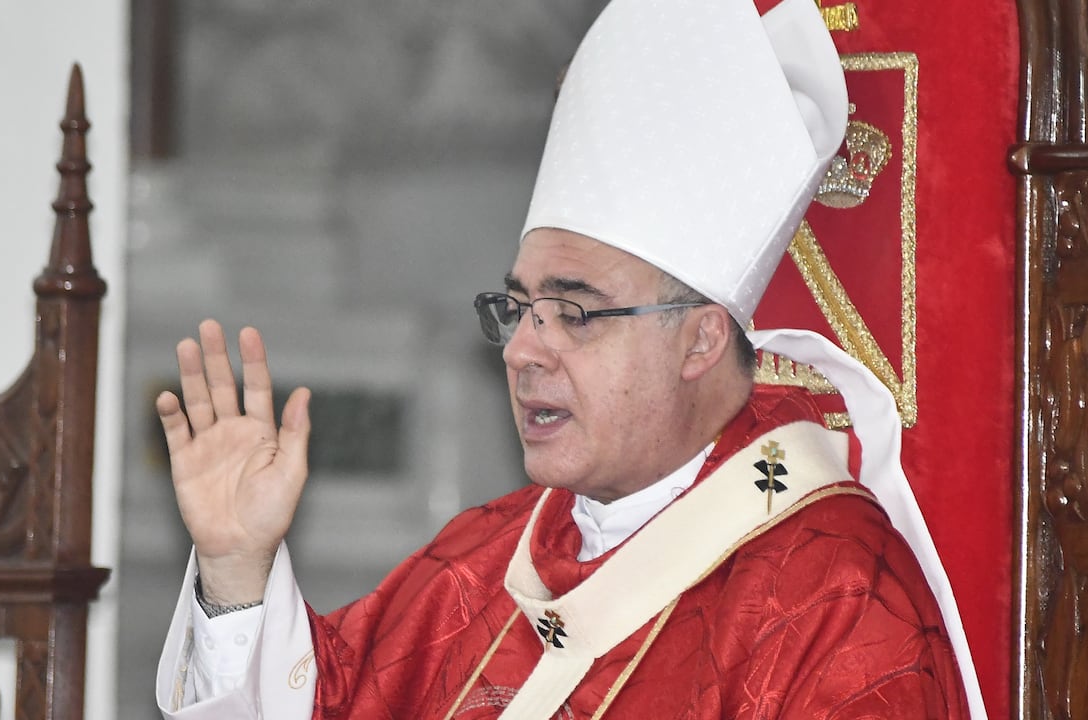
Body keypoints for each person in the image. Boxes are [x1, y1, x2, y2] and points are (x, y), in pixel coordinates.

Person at [156, 0, 987, 717]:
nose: (521, 348)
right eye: (519, 307)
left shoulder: (834, 602)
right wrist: (236, 567)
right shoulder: (480, 562)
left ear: (699, 337)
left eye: (575, 312)